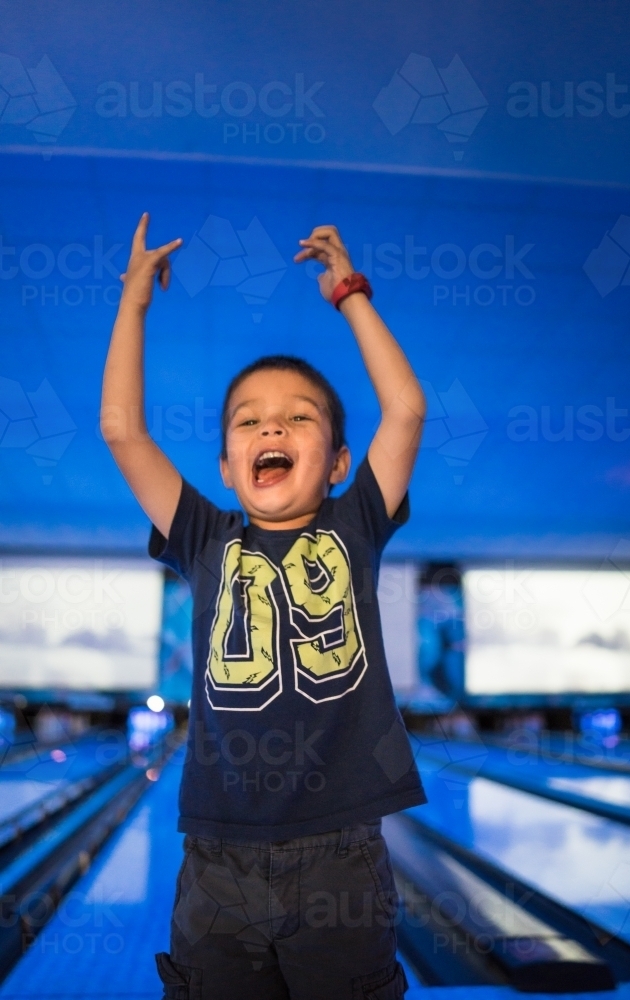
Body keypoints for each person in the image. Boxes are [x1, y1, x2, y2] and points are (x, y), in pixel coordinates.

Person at [101, 215, 427, 1000]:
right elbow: (121, 428)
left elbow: (407, 410)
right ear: (225, 465)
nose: (271, 424)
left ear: (339, 462)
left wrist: (349, 295)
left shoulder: (358, 522)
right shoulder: (202, 535)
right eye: (247, 420)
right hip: (218, 857)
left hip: (340, 856)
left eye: (299, 417)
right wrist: (134, 303)